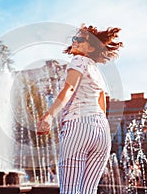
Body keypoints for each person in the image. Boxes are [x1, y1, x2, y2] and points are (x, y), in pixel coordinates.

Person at [37, 24, 123, 194]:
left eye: (80, 39)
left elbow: (69, 89)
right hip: (102, 133)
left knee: (70, 190)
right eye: (74, 39)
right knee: (88, 190)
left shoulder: (78, 61)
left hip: (79, 125)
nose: (74, 41)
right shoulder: (97, 72)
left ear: (90, 47)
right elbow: (102, 104)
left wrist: (49, 115)